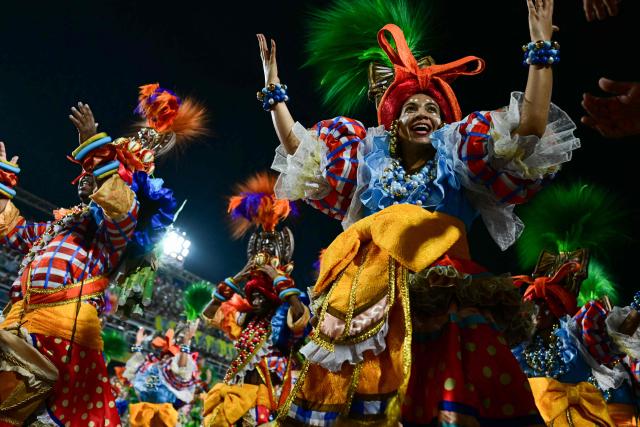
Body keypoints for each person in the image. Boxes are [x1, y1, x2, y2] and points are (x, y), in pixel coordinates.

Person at [257, 0, 581, 424]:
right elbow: (302, 151)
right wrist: (274, 91)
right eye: (411, 107)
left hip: (441, 293)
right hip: (369, 299)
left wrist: (540, 52)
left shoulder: (461, 156)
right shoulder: (364, 159)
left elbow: (530, 128)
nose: (422, 113)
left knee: (446, 391)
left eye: (432, 108)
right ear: (394, 122)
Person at [0, 83, 204, 426]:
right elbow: (10, 228)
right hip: (18, 322)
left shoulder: (113, 236)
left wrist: (93, 144)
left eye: (98, 175)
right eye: (85, 173)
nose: (87, 178)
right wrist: (3, 185)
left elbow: (122, 208)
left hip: (61, 335)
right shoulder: (61, 225)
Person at [200, 173, 311, 426]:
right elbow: (208, 314)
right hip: (237, 396)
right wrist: (236, 279)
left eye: (263, 295)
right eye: (255, 295)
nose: (258, 300)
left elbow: (302, 318)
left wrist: (278, 278)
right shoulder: (246, 317)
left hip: (270, 401)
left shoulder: (284, 316)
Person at [123, 323, 201, 427]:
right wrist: (138, 343)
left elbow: (181, 370)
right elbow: (134, 366)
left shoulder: (171, 375)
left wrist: (186, 342)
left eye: (171, 357)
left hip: (163, 418)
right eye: (166, 355)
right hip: (143, 414)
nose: (167, 358)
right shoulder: (152, 367)